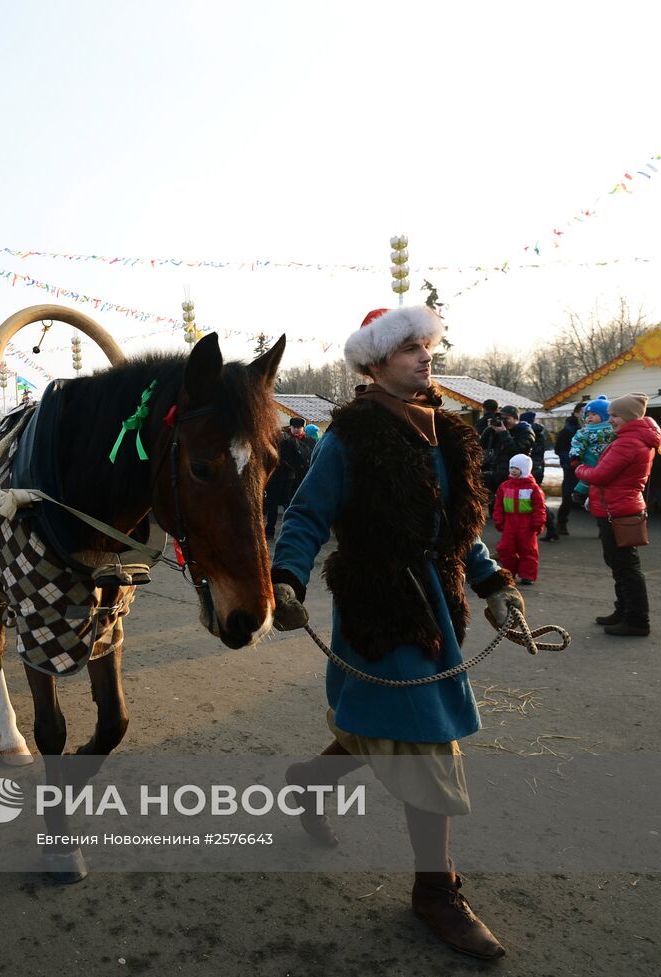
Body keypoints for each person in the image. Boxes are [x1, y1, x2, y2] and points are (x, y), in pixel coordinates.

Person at [271, 305, 525, 960]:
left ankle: (309, 780)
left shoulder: (452, 434)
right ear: (374, 363)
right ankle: (435, 890)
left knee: (380, 727)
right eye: (409, 347)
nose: (424, 356)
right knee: (425, 740)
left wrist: (495, 585)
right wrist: (287, 580)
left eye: (427, 345)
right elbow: (303, 517)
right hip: (379, 610)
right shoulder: (347, 438)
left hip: (438, 608)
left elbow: (458, 532)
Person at [574, 392, 658, 637]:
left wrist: (579, 467)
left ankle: (636, 619)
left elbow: (600, 474)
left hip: (618, 509)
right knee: (619, 564)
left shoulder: (629, 442)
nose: (609, 419)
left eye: (614, 415)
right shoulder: (630, 437)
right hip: (617, 507)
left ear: (629, 417)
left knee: (626, 567)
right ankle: (623, 611)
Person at [493, 453, 547, 585]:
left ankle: (527, 575)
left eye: (516, 468)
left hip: (526, 524)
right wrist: (498, 519)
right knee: (505, 549)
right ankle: (509, 573)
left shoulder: (533, 488)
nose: (513, 470)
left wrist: (538, 523)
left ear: (524, 469)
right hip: (509, 523)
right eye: (511, 467)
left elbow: (539, 507)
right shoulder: (504, 486)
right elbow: (498, 505)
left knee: (528, 550)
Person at [263, 416, 313, 541]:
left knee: (290, 505)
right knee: (272, 504)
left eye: (299, 428)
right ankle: (270, 530)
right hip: (277, 476)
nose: (296, 430)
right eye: (294, 427)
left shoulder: (309, 441)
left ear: (303, 428)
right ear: (290, 427)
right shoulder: (282, 439)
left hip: (296, 479)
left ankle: (290, 531)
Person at [570, 397, 614, 507]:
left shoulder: (613, 429)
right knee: (586, 479)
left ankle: (600, 499)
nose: (589, 417)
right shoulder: (585, 431)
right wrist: (575, 456)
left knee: (607, 481)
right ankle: (580, 494)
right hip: (590, 458)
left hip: (608, 459)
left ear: (605, 416)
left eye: (593, 414)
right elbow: (577, 443)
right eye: (587, 415)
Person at [552, 401, 586, 537]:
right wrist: (573, 462)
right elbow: (559, 450)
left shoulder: (595, 430)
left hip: (590, 469)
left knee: (595, 497)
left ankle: (603, 528)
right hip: (571, 469)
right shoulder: (567, 431)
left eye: (589, 412)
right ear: (576, 413)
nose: (586, 415)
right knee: (567, 497)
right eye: (583, 412)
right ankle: (561, 524)